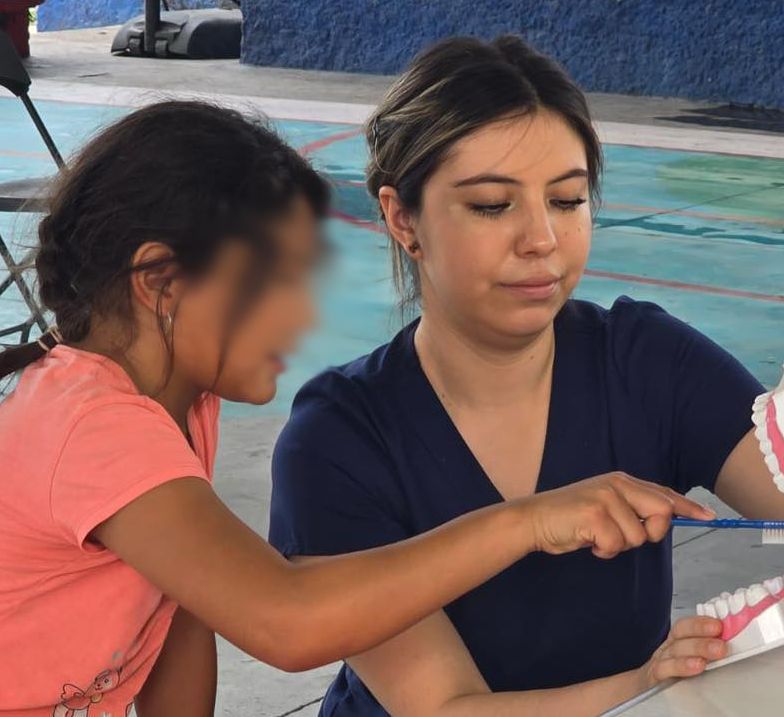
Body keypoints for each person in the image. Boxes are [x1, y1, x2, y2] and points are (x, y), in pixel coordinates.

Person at [269, 36, 784, 717]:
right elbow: (444, 707)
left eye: (567, 200)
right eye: (492, 205)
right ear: (401, 217)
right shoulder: (340, 438)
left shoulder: (643, 359)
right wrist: (648, 684)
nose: (540, 238)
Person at [0, 101, 702, 717]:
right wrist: (527, 521)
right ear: (163, 282)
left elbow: (186, 606)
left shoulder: (174, 403)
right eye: (278, 282)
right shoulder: (95, 423)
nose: (302, 317)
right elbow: (285, 619)